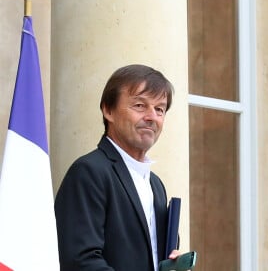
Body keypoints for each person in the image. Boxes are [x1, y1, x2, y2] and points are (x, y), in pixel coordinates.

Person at [55, 64, 180, 271]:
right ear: (108, 110)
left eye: (159, 109)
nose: (151, 117)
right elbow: (80, 262)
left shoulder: (156, 185)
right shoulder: (88, 172)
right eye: (140, 106)